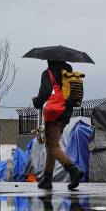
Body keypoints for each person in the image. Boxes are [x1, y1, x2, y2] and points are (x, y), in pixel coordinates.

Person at [32, 60, 84, 191]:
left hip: (54, 112)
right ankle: (47, 179)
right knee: (51, 145)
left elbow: (45, 92)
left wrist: (37, 101)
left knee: (53, 145)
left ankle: (73, 170)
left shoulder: (48, 73)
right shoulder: (68, 72)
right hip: (66, 112)